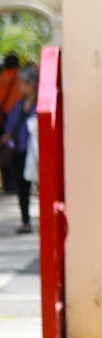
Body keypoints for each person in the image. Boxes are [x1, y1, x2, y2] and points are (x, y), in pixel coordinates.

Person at [0, 55, 28, 234]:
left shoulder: (3, 78)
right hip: (19, 122)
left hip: (6, 121)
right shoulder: (22, 77)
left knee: (7, 157)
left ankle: (9, 184)